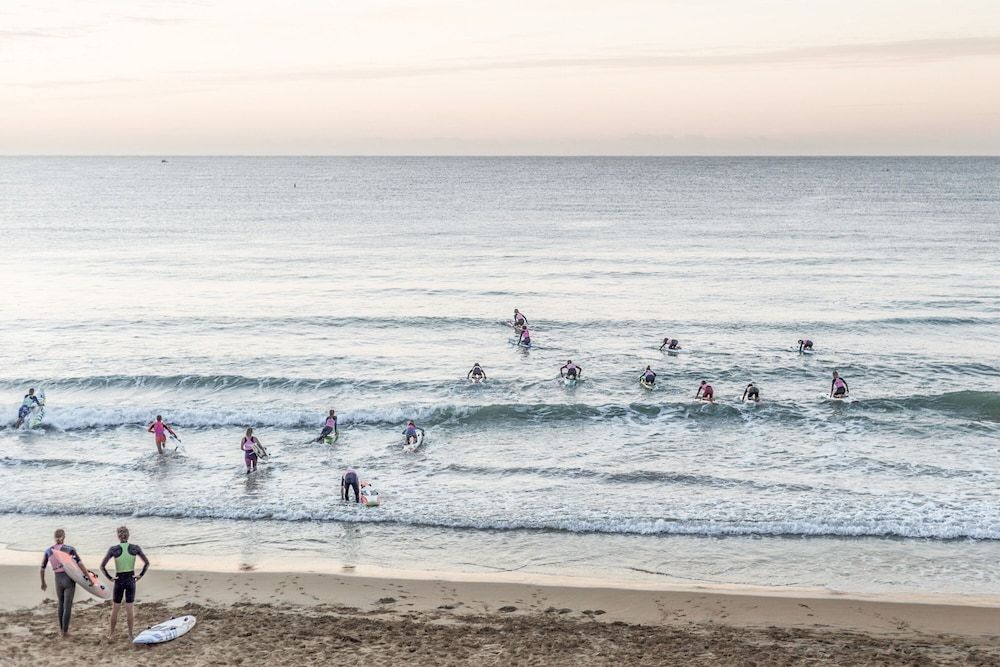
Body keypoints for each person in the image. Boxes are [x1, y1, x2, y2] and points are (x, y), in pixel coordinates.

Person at [100, 526, 149, 641]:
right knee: (129, 609)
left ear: (118, 536)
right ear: (128, 535)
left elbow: (102, 567)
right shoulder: (135, 548)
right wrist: (140, 575)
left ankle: (111, 634)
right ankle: (131, 635)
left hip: (119, 580)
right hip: (131, 580)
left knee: (115, 609)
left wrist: (110, 578)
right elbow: (147, 563)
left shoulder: (113, 549)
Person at [41, 528, 89, 637]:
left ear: (54, 537)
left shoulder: (49, 551)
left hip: (57, 579)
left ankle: (61, 629)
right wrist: (89, 578)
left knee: (61, 604)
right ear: (64, 537)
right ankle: (65, 632)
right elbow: (80, 564)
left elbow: (42, 568)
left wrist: (43, 583)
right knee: (67, 606)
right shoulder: (70, 549)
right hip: (68, 579)